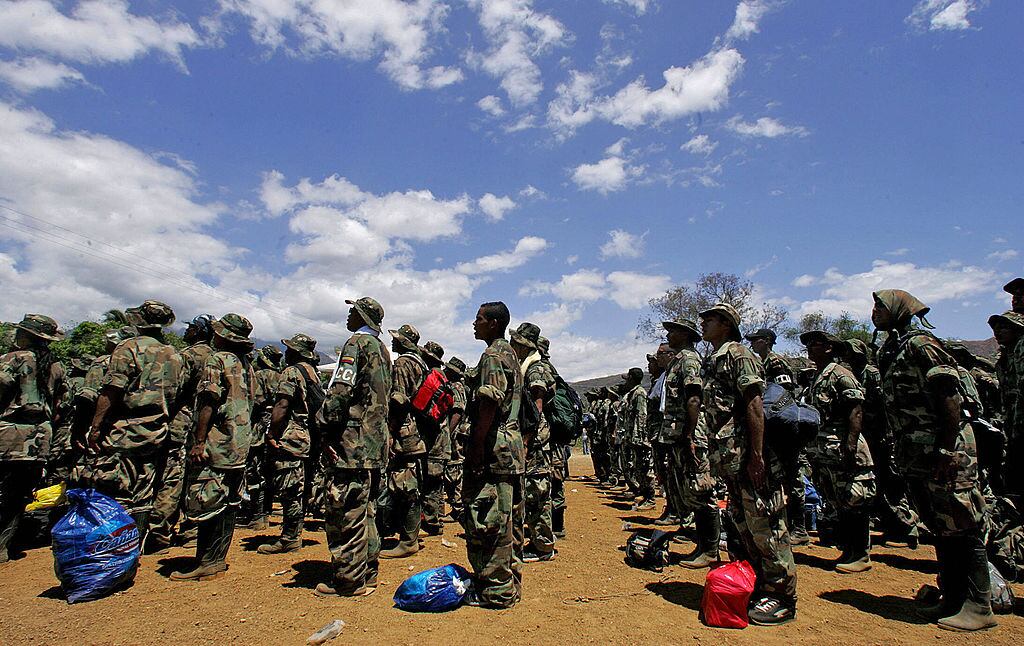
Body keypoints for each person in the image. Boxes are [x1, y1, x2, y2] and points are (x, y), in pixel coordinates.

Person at [873, 290, 994, 631]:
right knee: (941, 526)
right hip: (918, 452)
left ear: (899, 310)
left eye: (880, 306)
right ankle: (953, 598)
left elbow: (949, 396)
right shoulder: (892, 348)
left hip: (946, 449)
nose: (875, 312)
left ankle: (979, 605)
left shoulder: (922, 344)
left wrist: (945, 449)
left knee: (961, 523)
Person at [699, 302, 797, 625]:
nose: (704, 324)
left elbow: (755, 405)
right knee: (743, 525)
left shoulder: (739, 355)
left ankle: (782, 595)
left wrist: (757, 456)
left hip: (749, 456)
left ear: (726, 324)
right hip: (731, 459)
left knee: (765, 525)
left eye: (709, 319)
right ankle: (759, 584)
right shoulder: (714, 359)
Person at [85, 300, 181, 544]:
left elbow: (112, 389)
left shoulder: (128, 348)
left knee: (115, 490)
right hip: (156, 430)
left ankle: (112, 550)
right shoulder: (173, 354)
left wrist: (95, 427)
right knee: (144, 492)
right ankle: (132, 548)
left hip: (124, 430)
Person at [314, 297, 391, 598]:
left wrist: (324, 425)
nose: (348, 315)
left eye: (352, 311)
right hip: (375, 442)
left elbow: (341, 392)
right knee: (367, 509)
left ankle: (348, 579)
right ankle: (367, 572)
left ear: (361, 316)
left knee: (344, 509)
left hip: (352, 443)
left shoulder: (356, 344)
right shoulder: (383, 351)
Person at [172, 313, 256, 581]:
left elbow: (208, 400)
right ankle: (217, 558)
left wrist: (198, 440)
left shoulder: (217, 360)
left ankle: (207, 560)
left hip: (217, 441)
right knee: (230, 500)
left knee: (207, 499)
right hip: (240, 442)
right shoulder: (246, 364)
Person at [464, 301, 525, 609]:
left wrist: (475, 447)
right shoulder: (511, 355)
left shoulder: (492, 355)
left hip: (494, 449)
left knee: (490, 522)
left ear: (494, 324)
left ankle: (497, 591)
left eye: (480, 319)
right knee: (509, 519)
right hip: (511, 449)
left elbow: (488, 402)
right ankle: (509, 582)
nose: (474, 323)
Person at [800, 331, 876, 573]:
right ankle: (849, 550)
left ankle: (861, 553)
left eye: (817, 344)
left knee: (855, 498)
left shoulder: (841, 374)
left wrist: (851, 443)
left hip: (842, 446)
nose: (811, 348)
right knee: (838, 500)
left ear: (830, 348)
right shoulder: (817, 377)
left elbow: (856, 409)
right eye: (809, 345)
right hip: (824, 450)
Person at [0, 315, 66, 563]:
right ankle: (4, 545)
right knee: (17, 495)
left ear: (26, 336)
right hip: (39, 438)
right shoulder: (56, 366)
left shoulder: (12, 359)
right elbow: (62, 404)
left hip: (7, 434)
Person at [148, 314, 214, 554]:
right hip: (203, 426)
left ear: (199, 331)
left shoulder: (187, 356)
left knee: (172, 477)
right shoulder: (216, 356)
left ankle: (159, 532)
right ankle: (192, 528)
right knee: (194, 479)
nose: (187, 332)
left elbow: (173, 391)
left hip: (181, 422)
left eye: (191, 328)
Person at [844, 338, 919, 547]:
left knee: (889, 482)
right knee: (872, 484)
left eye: (851, 352)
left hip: (881, 436)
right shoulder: (852, 375)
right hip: (866, 436)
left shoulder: (872, 374)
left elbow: (885, 404)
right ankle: (891, 526)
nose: (848, 356)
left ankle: (907, 527)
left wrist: (888, 434)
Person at [660, 317, 720, 568]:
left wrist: (689, 435)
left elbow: (694, 399)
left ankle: (710, 550)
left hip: (690, 434)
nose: (668, 335)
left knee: (700, 488)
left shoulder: (689, 360)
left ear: (684, 335)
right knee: (689, 490)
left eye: (672, 331)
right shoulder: (678, 360)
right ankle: (703, 545)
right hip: (679, 435)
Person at [259, 333, 322, 554]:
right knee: (300, 487)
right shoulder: (313, 373)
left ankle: (289, 538)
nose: (286, 352)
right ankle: (294, 533)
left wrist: (271, 433)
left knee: (289, 489)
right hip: (309, 438)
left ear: (295, 351)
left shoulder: (292, 372)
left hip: (292, 438)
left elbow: (282, 405)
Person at [509, 322, 556, 562]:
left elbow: (536, 408)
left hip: (535, 439)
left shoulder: (535, 369)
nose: (512, 345)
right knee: (532, 493)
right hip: (531, 436)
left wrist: (526, 441)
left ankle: (543, 547)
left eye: (516, 342)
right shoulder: (527, 365)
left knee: (537, 493)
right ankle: (540, 542)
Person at [380, 323, 427, 558]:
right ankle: (406, 535)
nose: (394, 341)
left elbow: (398, 400)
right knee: (407, 484)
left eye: (397, 338)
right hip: (417, 432)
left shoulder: (402, 364)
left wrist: (389, 433)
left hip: (404, 433)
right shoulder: (421, 363)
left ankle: (408, 541)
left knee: (405, 486)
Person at [240, 344, 283, 530]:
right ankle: (266, 512)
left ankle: (257, 515)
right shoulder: (282, 377)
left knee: (255, 472)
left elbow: (255, 402)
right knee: (270, 472)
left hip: (259, 430)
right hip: (278, 431)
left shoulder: (259, 376)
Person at [537, 337, 570, 540]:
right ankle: (555, 525)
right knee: (554, 480)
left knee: (553, 481)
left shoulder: (542, 369)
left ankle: (555, 527)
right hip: (554, 436)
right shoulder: (551, 369)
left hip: (551, 436)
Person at [990, 311, 1024, 500]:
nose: (997, 332)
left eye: (1003, 327)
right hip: (1013, 423)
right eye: (995, 328)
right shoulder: (1004, 357)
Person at [419, 340, 450, 536]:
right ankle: (434, 518)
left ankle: (432, 522)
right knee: (435, 482)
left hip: (436, 438)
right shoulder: (442, 377)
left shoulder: (434, 378)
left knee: (432, 481)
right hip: (440, 438)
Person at [620, 367, 654, 510]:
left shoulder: (639, 394)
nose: (626, 381)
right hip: (633, 437)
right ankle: (644, 495)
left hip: (639, 438)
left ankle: (650, 498)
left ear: (633, 378)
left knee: (645, 468)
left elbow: (642, 415)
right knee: (638, 467)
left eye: (627, 378)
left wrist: (640, 438)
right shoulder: (632, 394)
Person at [442, 357, 468, 525]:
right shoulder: (453, 385)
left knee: (454, 469)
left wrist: (448, 433)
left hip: (456, 435)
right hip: (455, 434)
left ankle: (458, 508)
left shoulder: (456, 387)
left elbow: (457, 412)